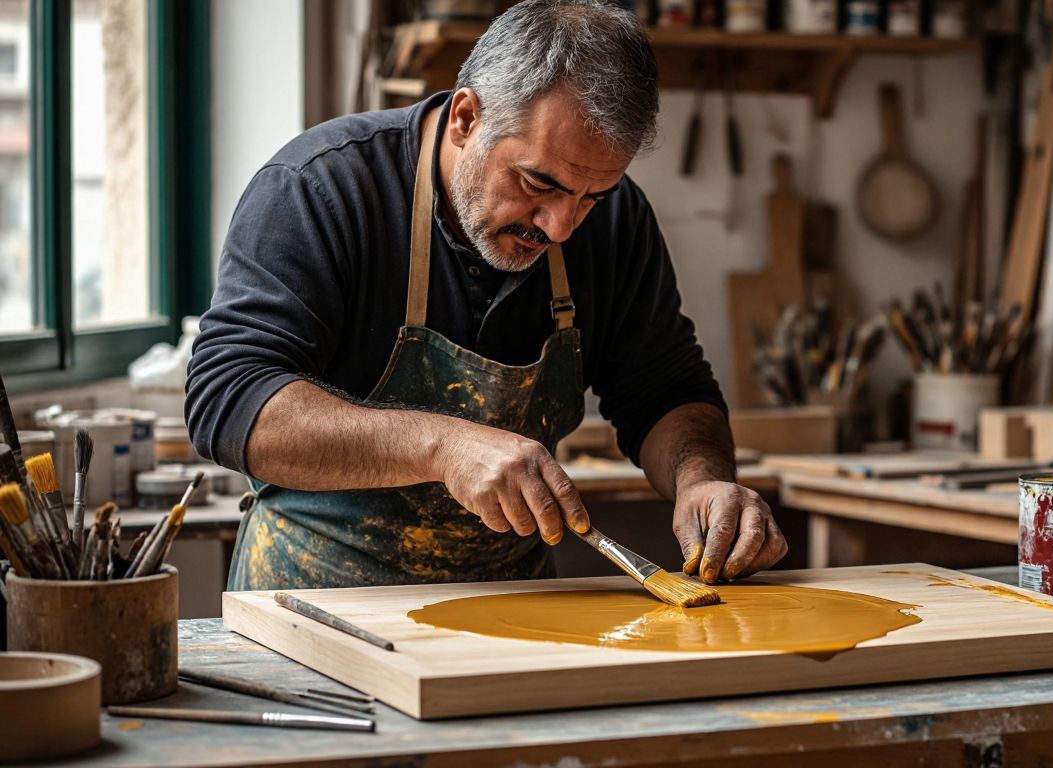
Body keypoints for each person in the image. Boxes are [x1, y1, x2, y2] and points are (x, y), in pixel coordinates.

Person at [186, 0, 787, 590]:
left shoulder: (615, 219)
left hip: (503, 617)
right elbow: (230, 398)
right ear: (466, 118)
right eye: (537, 183)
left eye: (590, 197)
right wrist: (443, 447)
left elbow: (666, 390)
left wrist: (700, 481)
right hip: (312, 606)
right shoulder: (319, 188)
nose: (559, 227)